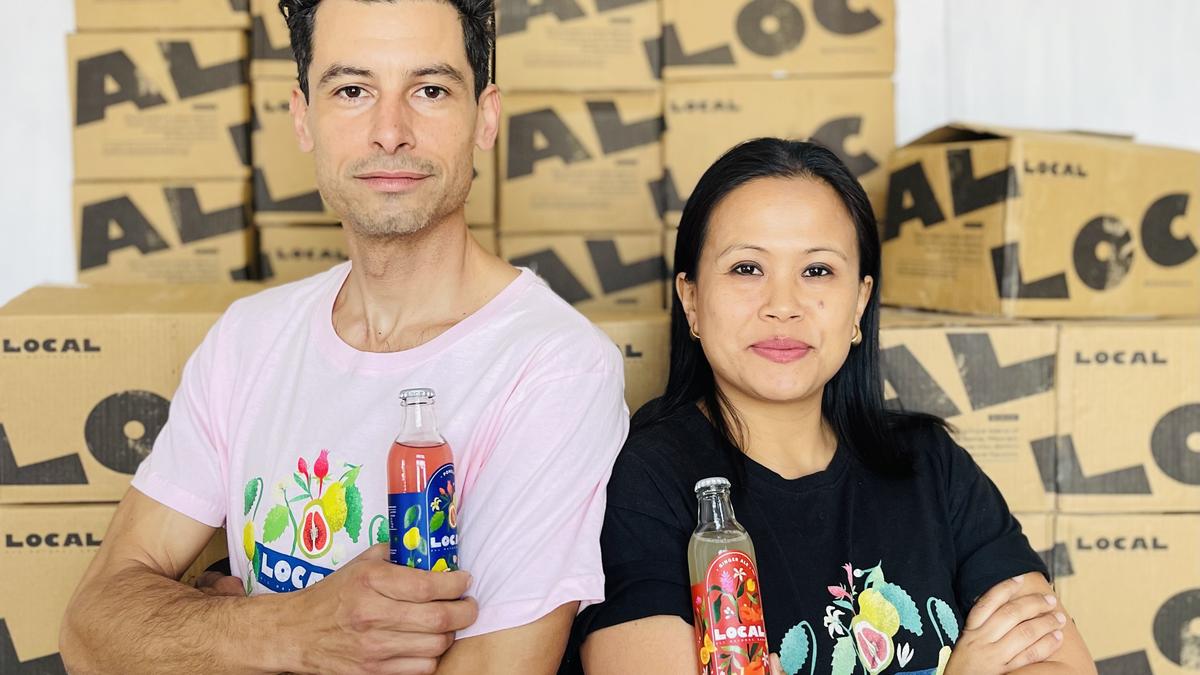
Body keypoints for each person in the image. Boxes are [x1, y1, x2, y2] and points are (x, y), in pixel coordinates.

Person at [59, 1, 628, 673]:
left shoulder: (555, 367)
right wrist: (291, 628)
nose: (391, 133)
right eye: (353, 90)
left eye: (430, 90)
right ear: (303, 117)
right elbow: (90, 630)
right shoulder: (248, 338)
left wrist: (212, 636)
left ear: (486, 116)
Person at [565, 138, 1096, 674]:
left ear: (860, 301)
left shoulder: (930, 464)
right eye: (747, 268)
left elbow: (1061, 663)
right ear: (691, 299)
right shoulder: (641, 483)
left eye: (817, 270)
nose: (783, 306)